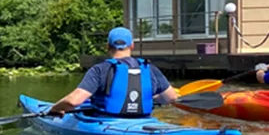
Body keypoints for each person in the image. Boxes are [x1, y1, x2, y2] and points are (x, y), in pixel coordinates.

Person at [48, 27, 177, 116]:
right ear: (132, 46)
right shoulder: (149, 68)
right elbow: (171, 98)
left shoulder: (100, 70)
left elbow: (73, 102)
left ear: (108, 47)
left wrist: (55, 109)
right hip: (143, 121)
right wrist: (148, 97)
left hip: (106, 120)